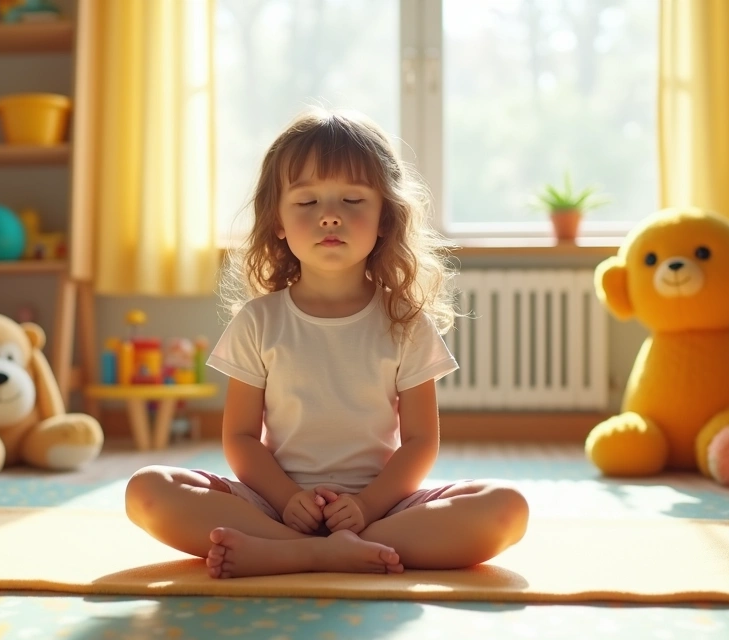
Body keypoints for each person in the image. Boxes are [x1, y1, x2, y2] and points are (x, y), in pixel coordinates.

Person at [124, 107, 529, 579]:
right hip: (274, 508)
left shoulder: (406, 322)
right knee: (147, 489)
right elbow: (239, 437)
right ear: (277, 220)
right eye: (307, 201)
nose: (331, 216)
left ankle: (294, 553)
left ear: (385, 218)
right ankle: (317, 551)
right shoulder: (258, 320)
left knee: (507, 507)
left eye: (353, 200)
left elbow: (421, 441)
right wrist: (286, 500)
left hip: (381, 510)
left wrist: (367, 506)